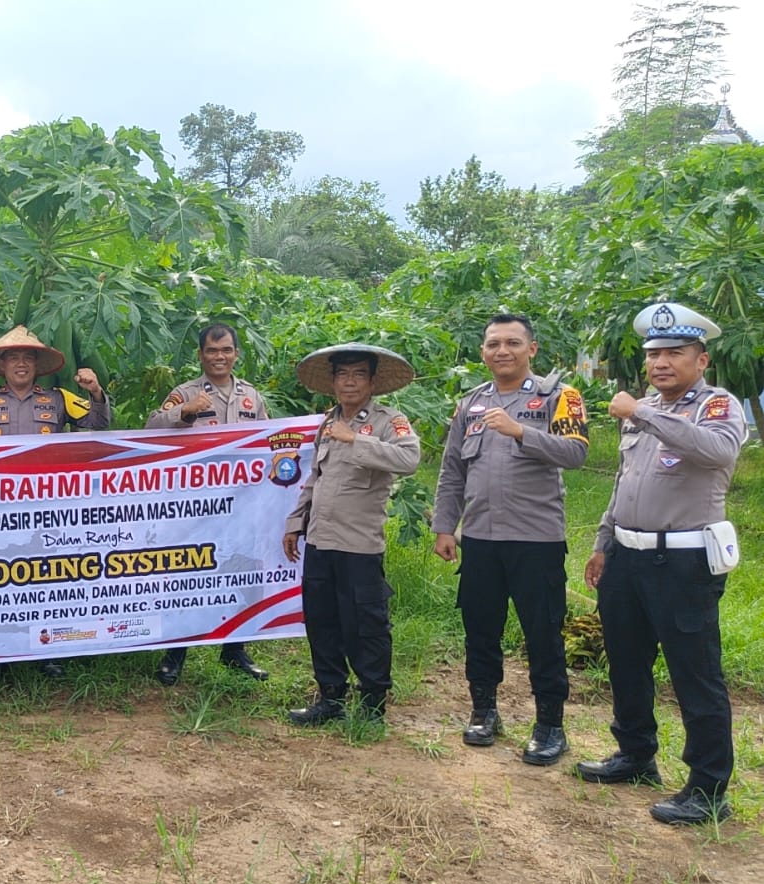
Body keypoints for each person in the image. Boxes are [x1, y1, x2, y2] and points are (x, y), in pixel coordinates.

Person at [576, 301, 746, 826]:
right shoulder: (645, 405)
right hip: (627, 555)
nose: (661, 363)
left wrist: (642, 413)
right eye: (654, 354)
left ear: (702, 359)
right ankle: (635, 754)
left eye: (675, 352)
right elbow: (626, 482)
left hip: (684, 561)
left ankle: (708, 786)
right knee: (626, 661)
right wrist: (604, 541)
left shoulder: (716, 406)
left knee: (695, 672)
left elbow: (717, 453)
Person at [432, 313, 588, 765]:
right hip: (479, 539)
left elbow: (577, 453)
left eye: (513, 343)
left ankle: (550, 725)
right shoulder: (470, 405)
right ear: (483, 352)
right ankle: (484, 710)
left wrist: (522, 431)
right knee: (480, 629)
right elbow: (452, 471)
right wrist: (446, 526)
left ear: (532, 349)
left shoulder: (559, 396)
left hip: (535, 541)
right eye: (494, 344)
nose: (503, 351)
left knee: (543, 633)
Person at [283, 343, 421, 725]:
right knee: (322, 620)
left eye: (358, 374)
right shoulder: (327, 422)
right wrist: (297, 522)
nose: (349, 382)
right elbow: (316, 477)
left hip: (359, 543)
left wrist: (355, 439)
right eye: (342, 374)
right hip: (321, 540)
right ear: (332, 381)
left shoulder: (388, 421)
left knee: (366, 623)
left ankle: (373, 701)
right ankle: (330, 698)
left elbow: (409, 459)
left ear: (373, 381)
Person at [0, 324, 109, 682]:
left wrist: (96, 393)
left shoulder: (58, 399)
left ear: (36, 364)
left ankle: (50, 651)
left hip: (47, 507)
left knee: (46, 578)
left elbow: (99, 427)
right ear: (2, 364)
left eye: (27, 358)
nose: (21, 364)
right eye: (13, 358)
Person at [147, 322, 270, 685]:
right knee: (188, 575)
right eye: (212, 351)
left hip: (243, 504)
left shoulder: (252, 396)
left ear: (236, 354)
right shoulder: (184, 392)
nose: (220, 357)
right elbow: (151, 428)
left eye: (227, 350)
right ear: (200, 356)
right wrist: (184, 413)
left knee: (243, 571)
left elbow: (270, 438)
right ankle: (175, 653)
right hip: (196, 507)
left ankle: (235, 649)